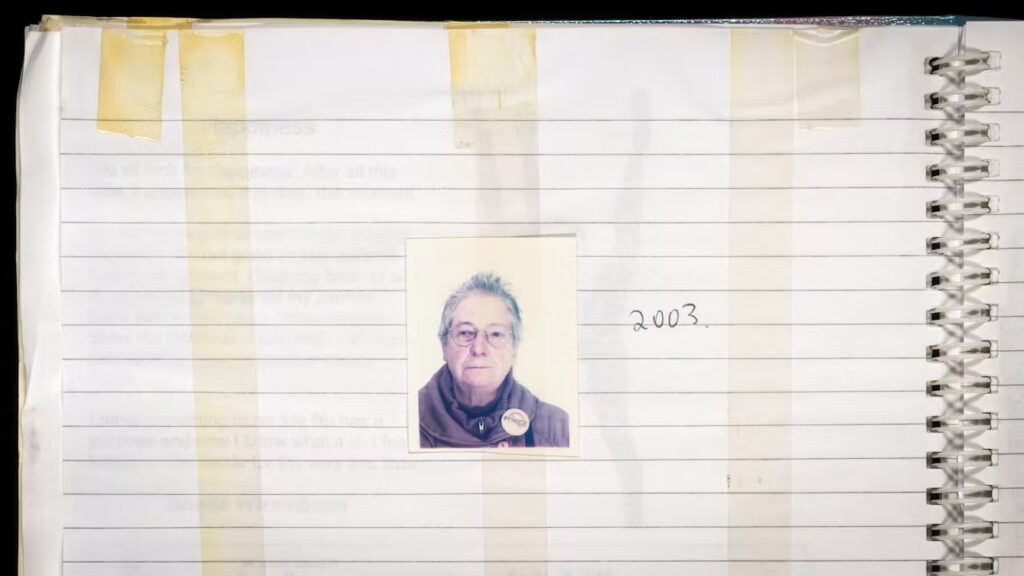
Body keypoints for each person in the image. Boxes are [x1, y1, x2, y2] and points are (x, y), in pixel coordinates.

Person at [419, 272, 570, 448]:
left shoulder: (558, 429)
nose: (479, 349)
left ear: (514, 350)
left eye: (496, 334)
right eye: (465, 333)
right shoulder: (408, 421)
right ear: (444, 346)